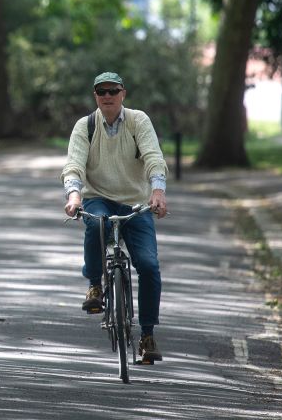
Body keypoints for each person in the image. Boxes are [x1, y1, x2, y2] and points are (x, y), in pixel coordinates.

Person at [60, 71, 169, 363]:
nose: (107, 96)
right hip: (98, 198)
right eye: (101, 91)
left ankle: (147, 335)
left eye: (113, 91)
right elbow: (74, 165)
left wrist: (157, 192)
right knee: (96, 223)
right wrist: (74, 194)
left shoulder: (138, 121)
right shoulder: (86, 126)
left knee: (148, 265)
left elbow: (154, 158)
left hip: (134, 201)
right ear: (95, 95)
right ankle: (95, 284)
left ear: (123, 93)